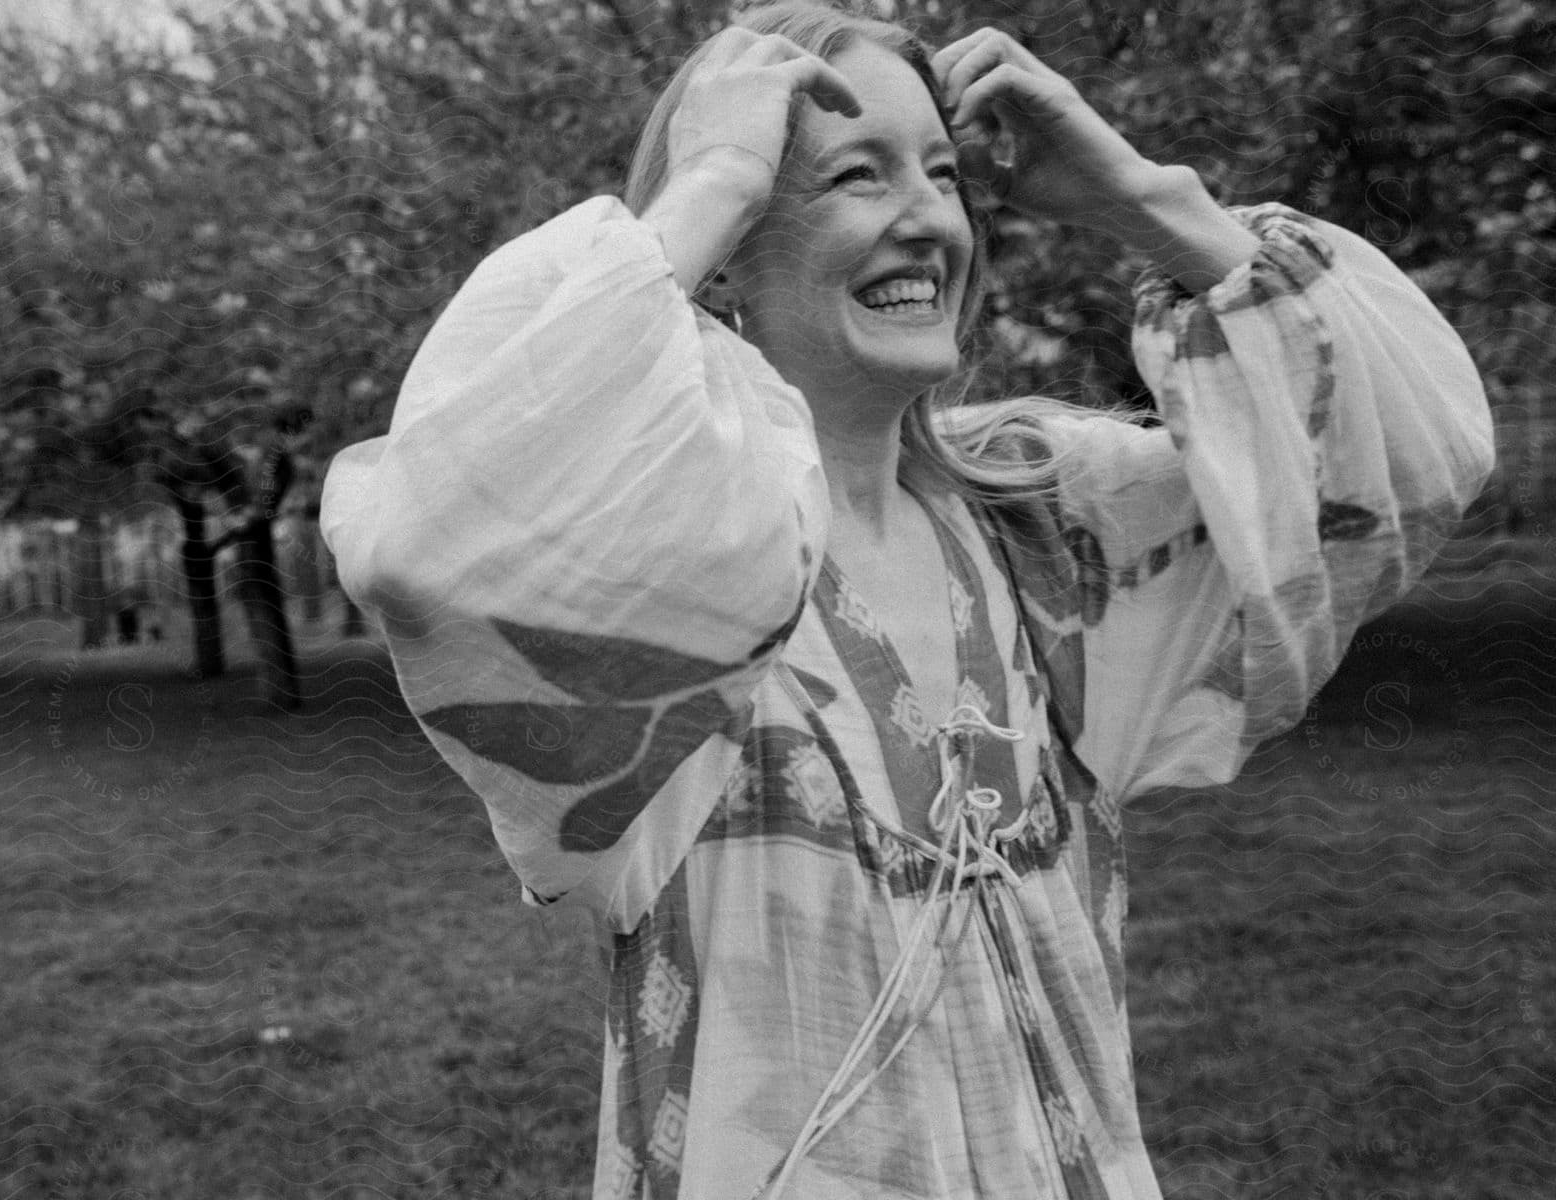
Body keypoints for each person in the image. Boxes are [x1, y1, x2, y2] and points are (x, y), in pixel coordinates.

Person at [320, 2, 1494, 1196]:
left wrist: (1138, 193)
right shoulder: (666, 577)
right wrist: (711, 176)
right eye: (855, 175)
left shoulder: (1044, 525)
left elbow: (1400, 461)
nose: (929, 218)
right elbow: (430, 529)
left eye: (942, 172)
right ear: (730, 251)